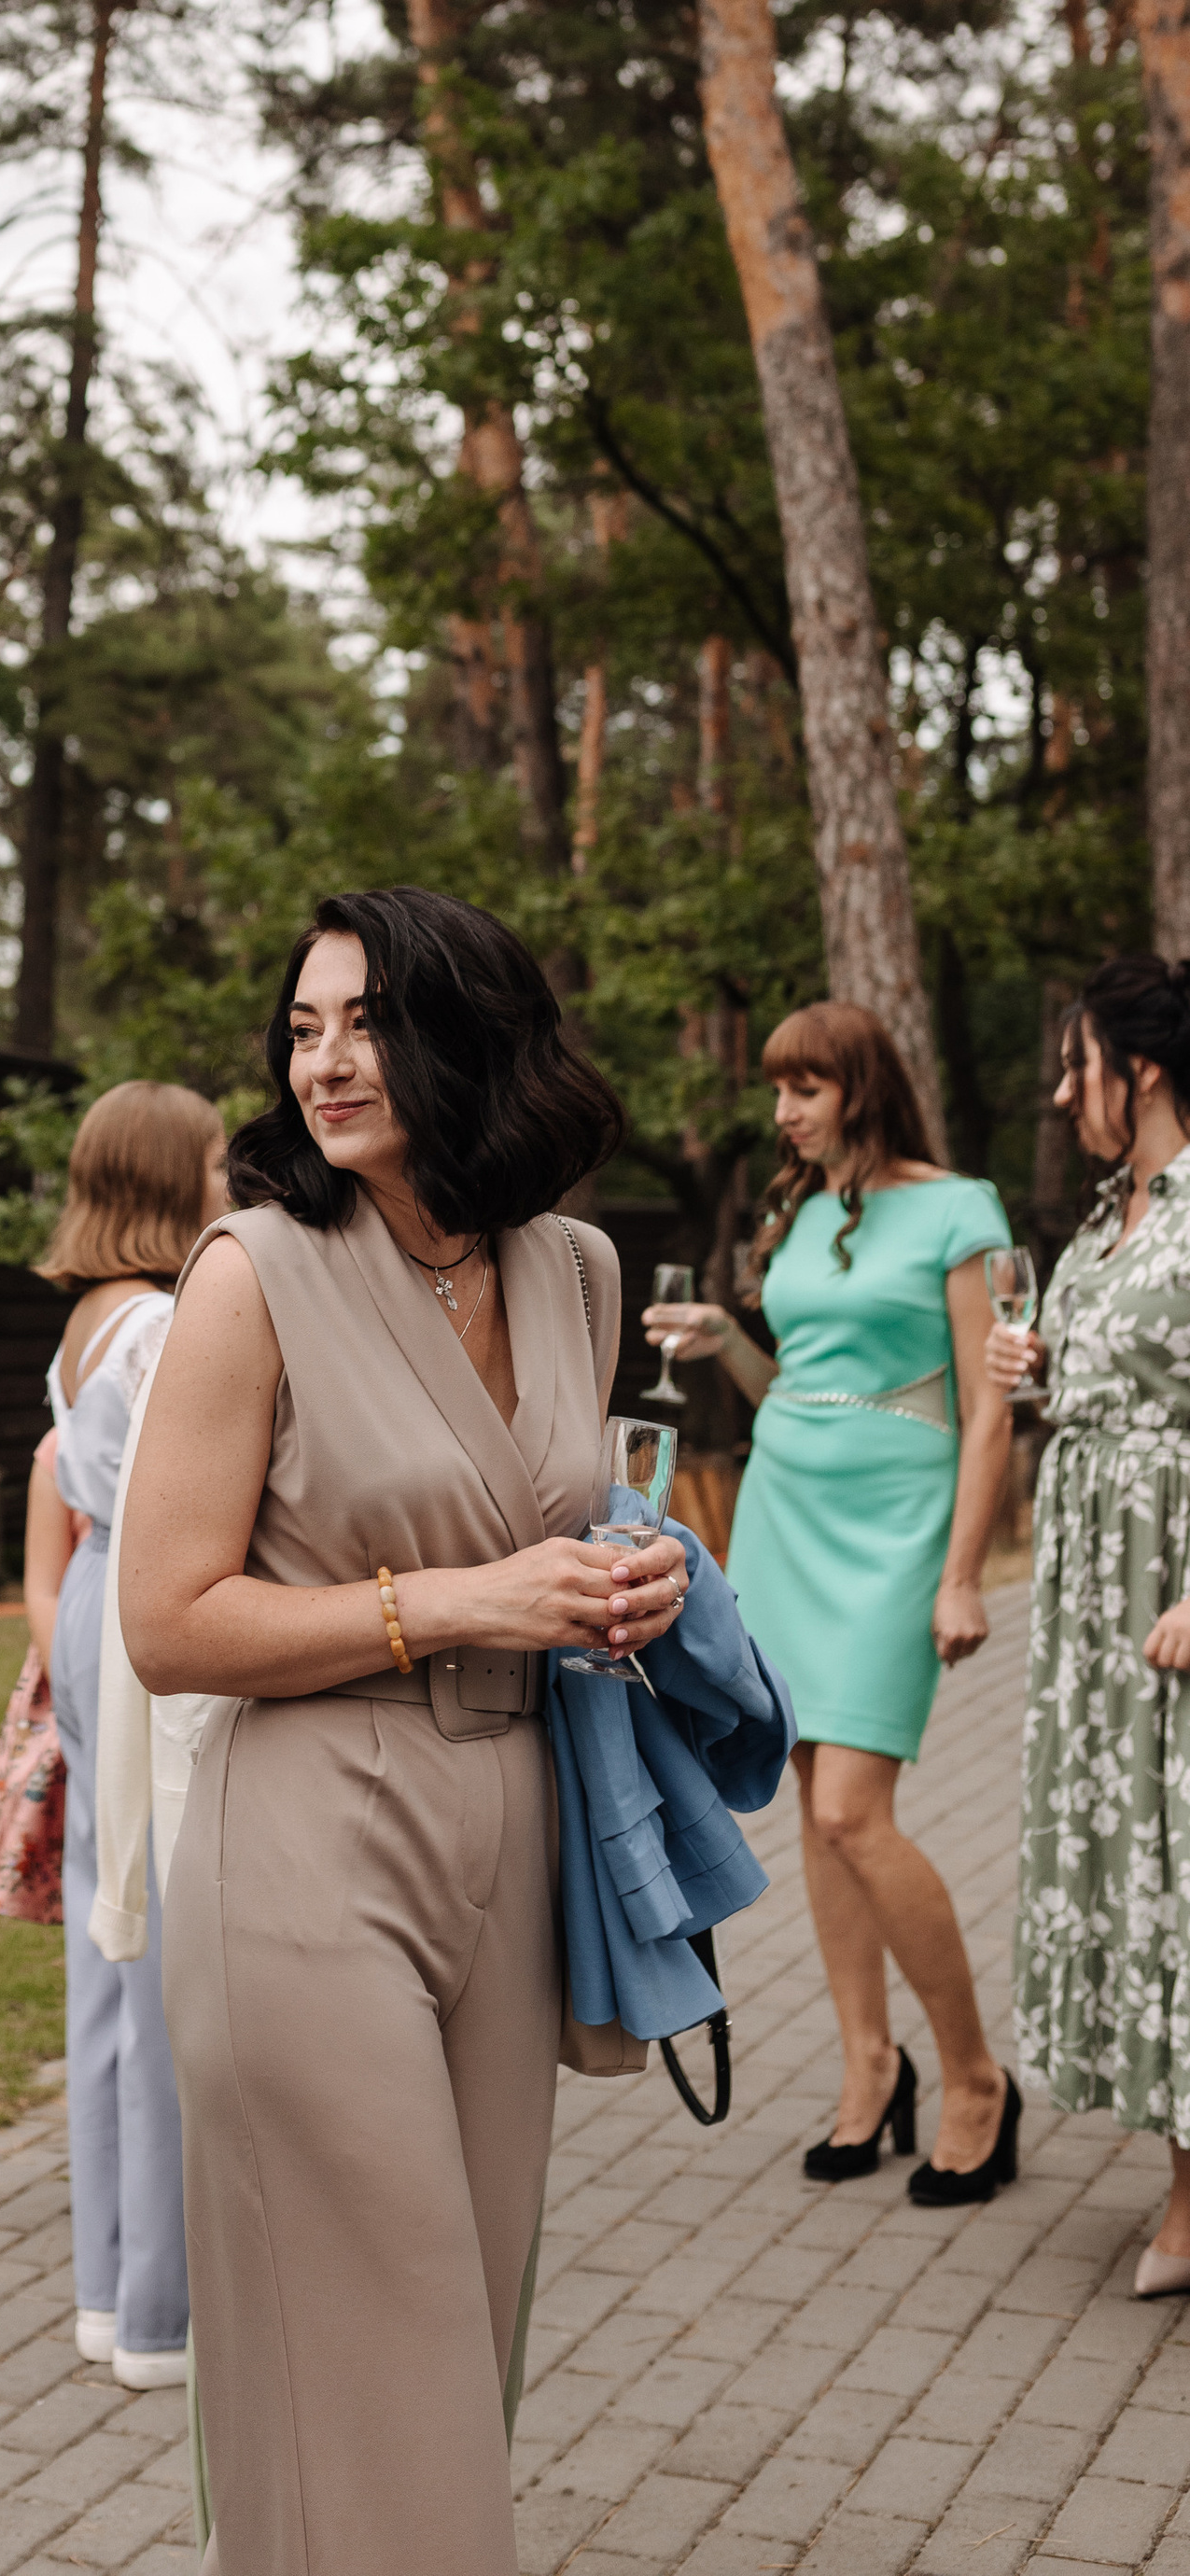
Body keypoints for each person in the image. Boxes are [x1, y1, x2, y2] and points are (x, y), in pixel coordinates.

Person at [119, 887, 679, 2576]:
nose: (326, 1063)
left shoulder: (574, 1267)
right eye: (303, 1030)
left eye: (366, 1023)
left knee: (466, 2330)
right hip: (309, 1830)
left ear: (474, 1038)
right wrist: (457, 1601)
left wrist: (629, 1583)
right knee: (384, 2338)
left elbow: (554, 1513)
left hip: (519, 1822)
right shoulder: (255, 1274)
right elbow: (167, 1623)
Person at [649, 1000, 1018, 2201]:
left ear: (859, 1087)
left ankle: (975, 2078)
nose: (782, 1111)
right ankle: (870, 2067)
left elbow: (986, 1411)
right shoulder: (802, 1210)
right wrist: (727, 1340)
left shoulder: (960, 1209)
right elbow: (803, 1389)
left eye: (802, 1088)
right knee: (813, 1810)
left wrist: (961, 1574)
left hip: (899, 1530)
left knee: (857, 1812)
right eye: (777, 1089)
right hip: (784, 1516)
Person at [994, 957, 1190, 2295]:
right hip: (1092, 1603)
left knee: (1180, 1870)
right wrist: (1034, 1373)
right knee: (1132, 1867)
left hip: (1169, 1584)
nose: (1063, 1095)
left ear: (1144, 1068)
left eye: (1078, 1068)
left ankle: (1189, 2195)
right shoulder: (1106, 1219)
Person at [35, 1080, 227, 2393]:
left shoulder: (85, 1320)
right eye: (212, 1160)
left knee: (105, 1951)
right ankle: (160, 2304)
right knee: (154, 1951)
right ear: (166, 1181)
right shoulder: (159, 1323)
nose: (230, 1179)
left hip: (94, 1599)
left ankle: (109, 2288)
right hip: (140, 1609)